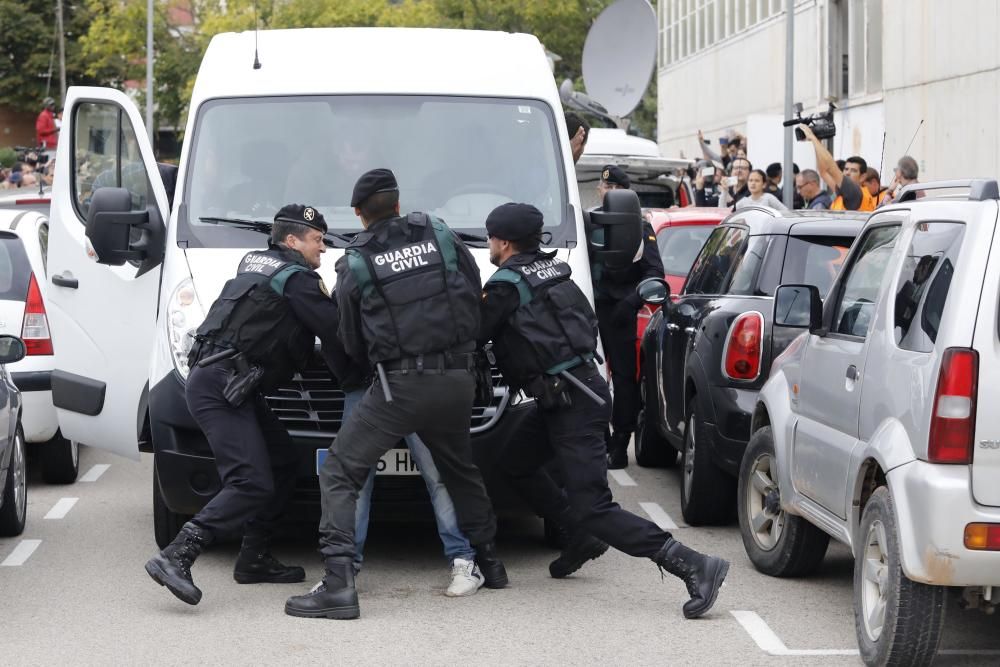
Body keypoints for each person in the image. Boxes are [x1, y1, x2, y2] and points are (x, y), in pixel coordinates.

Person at [480, 203, 730, 618]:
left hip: (574, 402)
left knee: (594, 505)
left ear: (503, 242)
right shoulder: (553, 270)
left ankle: (693, 564)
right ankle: (580, 534)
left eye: (490, 237)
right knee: (514, 461)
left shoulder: (506, 284)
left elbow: (474, 332)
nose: (489, 244)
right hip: (571, 394)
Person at [285, 168, 506, 620]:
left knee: (342, 470)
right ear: (399, 204)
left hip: (398, 383)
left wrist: (376, 364)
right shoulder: (440, 233)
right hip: (458, 377)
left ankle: (339, 584)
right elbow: (471, 287)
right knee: (454, 471)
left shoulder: (357, 261)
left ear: (359, 214)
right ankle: (484, 563)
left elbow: (347, 333)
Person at [145, 204, 343, 606]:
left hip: (226, 381)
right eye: (317, 240)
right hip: (222, 385)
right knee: (250, 481)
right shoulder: (297, 280)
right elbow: (337, 328)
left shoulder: (256, 267)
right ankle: (177, 555)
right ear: (292, 241)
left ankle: (253, 558)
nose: (323, 249)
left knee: (284, 461)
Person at [587, 166, 665, 469]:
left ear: (621, 193)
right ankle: (597, 438)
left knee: (623, 378)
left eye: (606, 188)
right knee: (588, 377)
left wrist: (630, 302)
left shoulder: (638, 227)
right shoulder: (590, 221)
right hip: (589, 309)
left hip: (618, 311)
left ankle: (619, 443)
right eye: (601, 187)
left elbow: (654, 273)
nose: (601, 192)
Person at [799, 124, 876, 212]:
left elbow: (830, 168)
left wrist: (813, 138)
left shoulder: (855, 192)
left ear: (862, 177)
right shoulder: (843, 191)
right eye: (846, 169)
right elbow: (823, 171)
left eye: (853, 171)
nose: (847, 173)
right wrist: (817, 142)